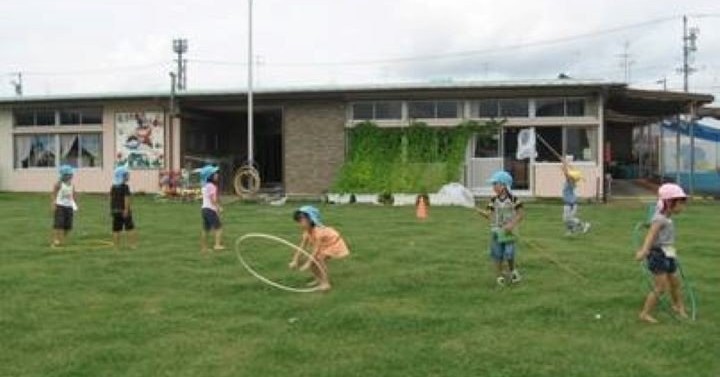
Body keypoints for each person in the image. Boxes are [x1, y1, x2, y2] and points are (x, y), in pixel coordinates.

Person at [635, 183, 689, 323]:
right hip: (658, 255)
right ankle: (645, 314)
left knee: (675, 282)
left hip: (669, 252)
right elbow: (651, 235)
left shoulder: (666, 216)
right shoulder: (660, 218)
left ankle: (678, 306)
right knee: (661, 287)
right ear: (670, 202)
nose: (683, 206)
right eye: (681, 203)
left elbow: (654, 227)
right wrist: (644, 251)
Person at [479, 171, 524, 286]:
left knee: (509, 253)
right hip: (496, 231)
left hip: (509, 232)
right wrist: (482, 212)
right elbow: (489, 214)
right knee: (497, 254)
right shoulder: (493, 200)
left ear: (504, 185)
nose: (493, 187)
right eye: (493, 184)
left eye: (495, 184)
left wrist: (511, 225)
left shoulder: (514, 200)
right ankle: (499, 276)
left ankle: (513, 271)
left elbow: (520, 214)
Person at [289, 206, 349, 291]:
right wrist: (295, 260)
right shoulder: (307, 232)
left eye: (302, 221)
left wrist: (308, 263)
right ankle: (319, 279)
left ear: (311, 219)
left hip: (334, 244)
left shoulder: (319, 231)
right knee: (314, 261)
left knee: (320, 259)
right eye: (298, 221)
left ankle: (326, 283)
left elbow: (316, 249)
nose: (300, 224)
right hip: (325, 245)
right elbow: (301, 247)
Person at [561, 157, 591, 236]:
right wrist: (566, 164)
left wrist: (563, 164)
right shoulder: (571, 181)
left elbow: (566, 173)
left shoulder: (570, 182)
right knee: (565, 219)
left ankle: (584, 225)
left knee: (569, 219)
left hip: (571, 204)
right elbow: (571, 170)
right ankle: (571, 230)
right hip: (567, 203)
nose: (570, 176)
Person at [110, 165, 137, 249]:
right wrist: (126, 210)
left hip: (115, 210)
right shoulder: (125, 187)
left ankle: (116, 246)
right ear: (122, 176)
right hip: (123, 211)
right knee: (130, 228)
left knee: (116, 229)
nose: (128, 176)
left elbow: (111, 199)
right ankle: (132, 245)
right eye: (126, 175)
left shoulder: (113, 187)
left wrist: (111, 209)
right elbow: (126, 199)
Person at [200, 165, 225, 253]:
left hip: (204, 210)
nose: (217, 175)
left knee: (206, 229)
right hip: (210, 210)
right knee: (218, 228)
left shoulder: (204, 186)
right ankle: (217, 245)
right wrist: (218, 207)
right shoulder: (212, 186)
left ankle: (204, 248)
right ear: (210, 176)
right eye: (215, 174)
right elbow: (212, 199)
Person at [51, 165, 77, 248]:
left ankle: (62, 239)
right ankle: (56, 240)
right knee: (59, 224)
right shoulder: (58, 184)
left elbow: (73, 195)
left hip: (69, 206)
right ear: (64, 175)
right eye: (69, 174)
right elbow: (54, 194)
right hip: (60, 206)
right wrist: (53, 204)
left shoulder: (72, 185)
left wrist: (74, 205)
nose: (71, 176)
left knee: (68, 226)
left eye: (71, 174)